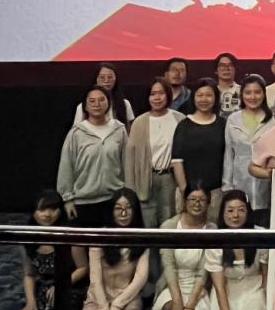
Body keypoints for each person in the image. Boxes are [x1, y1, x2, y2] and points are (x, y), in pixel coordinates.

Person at [58, 85, 127, 228]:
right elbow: (66, 166)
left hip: (114, 199)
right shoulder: (76, 133)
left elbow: (127, 163)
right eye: (92, 101)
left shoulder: (119, 130)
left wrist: (126, 193)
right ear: (85, 106)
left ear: (108, 103)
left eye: (101, 100)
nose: (97, 104)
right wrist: (67, 199)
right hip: (83, 202)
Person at [17, 189, 88, 310]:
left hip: (71, 285)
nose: (47, 214)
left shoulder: (70, 234)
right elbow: (29, 275)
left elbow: (83, 267)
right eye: (42, 210)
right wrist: (30, 302)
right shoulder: (28, 237)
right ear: (33, 211)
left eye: (53, 209)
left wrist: (61, 285)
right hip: (44, 287)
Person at [82, 188, 149, 310]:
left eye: (128, 208)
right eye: (118, 208)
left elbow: (141, 278)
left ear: (135, 211)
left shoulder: (142, 238)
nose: (123, 213)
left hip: (127, 298)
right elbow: (95, 279)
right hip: (97, 299)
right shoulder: (99, 237)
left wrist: (117, 306)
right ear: (111, 211)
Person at [124, 79, 185, 229]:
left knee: (169, 223)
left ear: (168, 95)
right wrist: (130, 189)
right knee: (147, 224)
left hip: (170, 179)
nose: (157, 98)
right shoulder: (139, 122)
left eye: (161, 93)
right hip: (146, 178)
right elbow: (130, 159)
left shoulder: (180, 119)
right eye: (153, 94)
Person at [206, 190, 269, 310]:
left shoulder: (260, 234)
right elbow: (220, 288)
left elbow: (266, 276)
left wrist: (269, 306)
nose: (235, 215)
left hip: (254, 290)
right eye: (230, 210)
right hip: (227, 294)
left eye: (241, 210)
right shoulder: (215, 241)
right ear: (223, 213)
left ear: (248, 212)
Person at [153, 184, 215, 310]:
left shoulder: (212, 229)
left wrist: (190, 306)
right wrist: (177, 301)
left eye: (202, 200)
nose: (197, 203)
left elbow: (203, 273)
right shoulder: (168, 226)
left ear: (208, 202)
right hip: (172, 285)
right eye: (192, 199)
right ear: (185, 200)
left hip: (199, 289)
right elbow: (168, 266)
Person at [222, 74, 275, 228]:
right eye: (248, 92)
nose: (253, 97)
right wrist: (227, 186)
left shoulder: (274, 120)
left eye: (257, 92)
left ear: (264, 94)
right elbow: (228, 154)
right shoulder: (233, 119)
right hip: (240, 182)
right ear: (242, 95)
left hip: (266, 184)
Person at [171, 78, 226, 224]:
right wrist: (184, 191)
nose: (204, 99)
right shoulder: (184, 125)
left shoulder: (223, 124)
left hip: (215, 193)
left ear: (215, 98)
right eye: (199, 95)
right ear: (193, 97)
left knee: (212, 231)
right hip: (188, 193)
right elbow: (176, 160)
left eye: (208, 95)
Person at [72, 63, 134, 130]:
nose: (106, 81)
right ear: (96, 78)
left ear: (116, 79)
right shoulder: (84, 106)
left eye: (110, 77)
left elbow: (130, 130)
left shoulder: (125, 104)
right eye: (102, 77)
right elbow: (76, 131)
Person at [214, 52, 241, 118]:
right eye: (222, 65)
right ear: (216, 70)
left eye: (230, 65)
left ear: (235, 69)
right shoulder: (211, 91)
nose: (226, 68)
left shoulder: (243, 91)